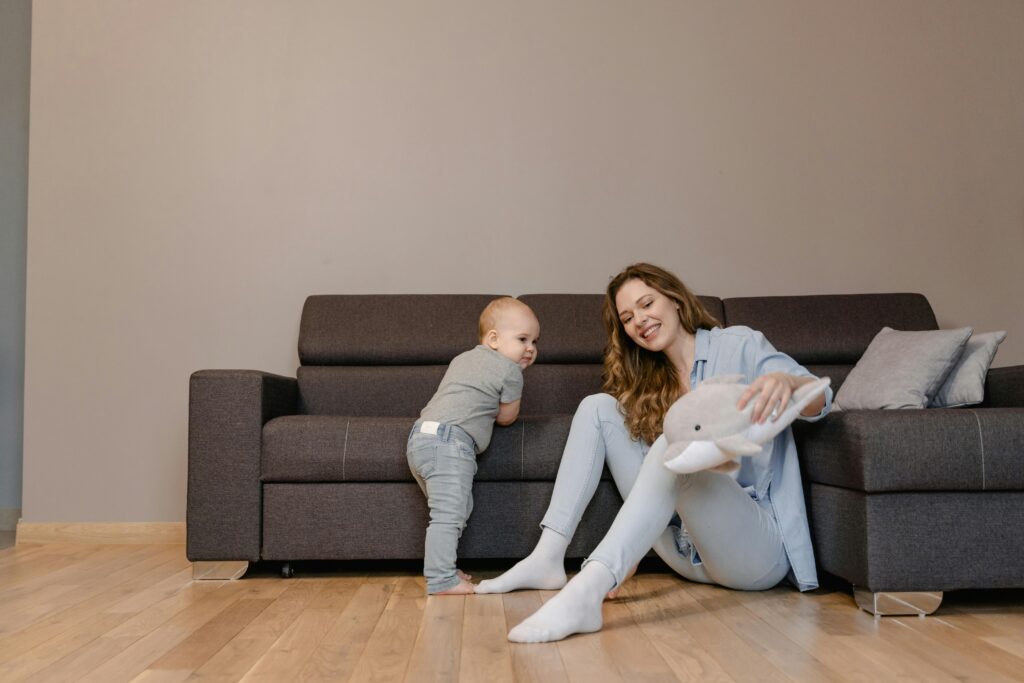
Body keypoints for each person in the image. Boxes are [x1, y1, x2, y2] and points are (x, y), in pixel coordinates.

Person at [475, 263, 832, 642]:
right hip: (683, 552)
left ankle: (587, 590)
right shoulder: (647, 380)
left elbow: (821, 398)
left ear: (676, 299)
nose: (640, 321)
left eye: (647, 304)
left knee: (674, 444)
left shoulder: (738, 344)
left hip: (753, 555)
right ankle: (547, 556)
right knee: (598, 407)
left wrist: (788, 381)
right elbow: (654, 486)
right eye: (628, 318)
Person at [408, 297, 540, 595]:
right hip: (450, 444)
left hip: (420, 439)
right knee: (449, 514)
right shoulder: (510, 371)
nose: (531, 348)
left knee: (456, 507)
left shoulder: (463, 359)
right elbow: (507, 417)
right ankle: (441, 579)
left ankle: (444, 566)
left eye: (534, 341)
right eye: (522, 339)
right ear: (493, 339)